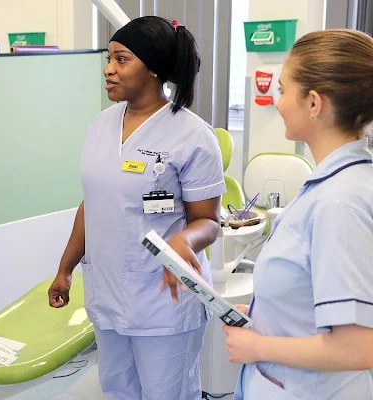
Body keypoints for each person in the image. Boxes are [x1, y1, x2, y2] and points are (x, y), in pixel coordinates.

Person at [48, 16, 225, 400]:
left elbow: (207, 220)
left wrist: (183, 243)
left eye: (122, 59)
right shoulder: (100, 126)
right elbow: (91, 204)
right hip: (108, 293)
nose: (108, 69)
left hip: (165, 300)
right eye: (108, 58)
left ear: (153, 69)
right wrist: (65, 268)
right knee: (117, 391)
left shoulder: (193, 135)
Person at [223, 29, 373, 399]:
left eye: (283, 90)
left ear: (314, 103)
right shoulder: (333, 186)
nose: (277, 102)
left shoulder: (340, 202)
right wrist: (270, 313)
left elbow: (357, 347)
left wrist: (257, 347)